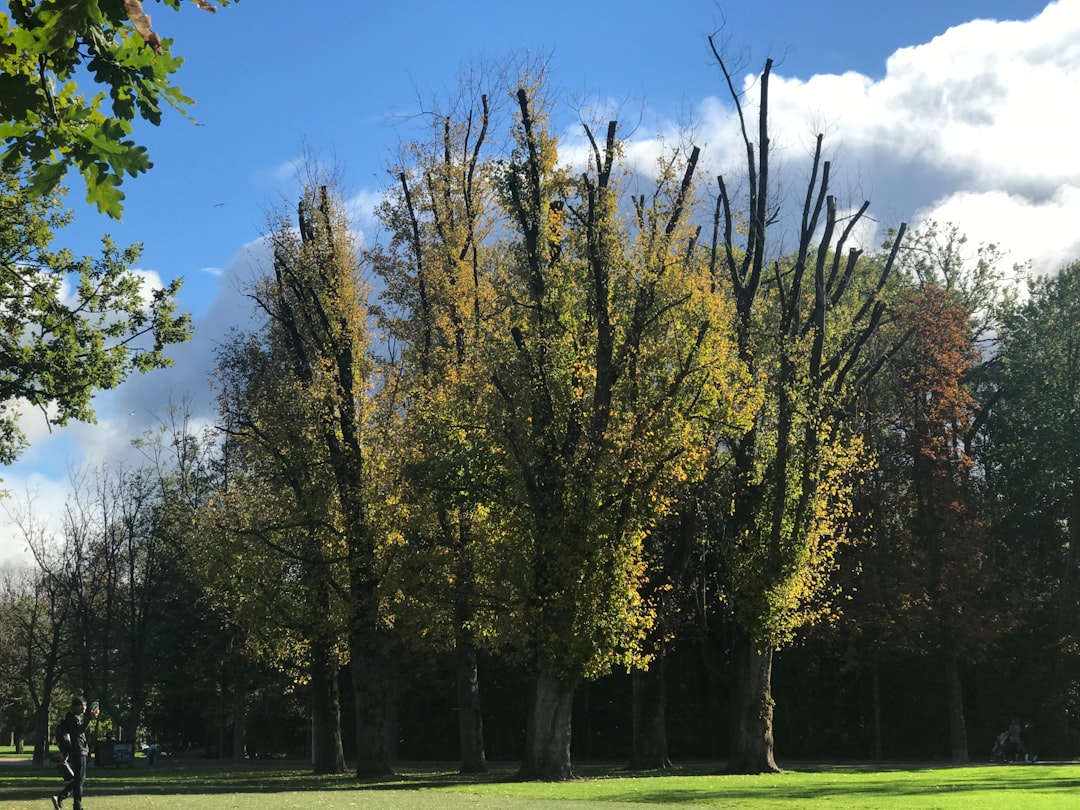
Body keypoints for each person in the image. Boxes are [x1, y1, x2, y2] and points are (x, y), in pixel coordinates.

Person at [52, 696, 100, 810]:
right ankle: (74, 804)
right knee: (80, 780)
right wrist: (89, 719)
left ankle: (63, 798)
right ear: (75, 707)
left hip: (78, 751)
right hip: (78, 751)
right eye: (82, 705)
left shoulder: (74, 718)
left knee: (79, 779)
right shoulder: (73, 718)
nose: (84, 708)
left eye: (85, 705)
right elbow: (78, 731)